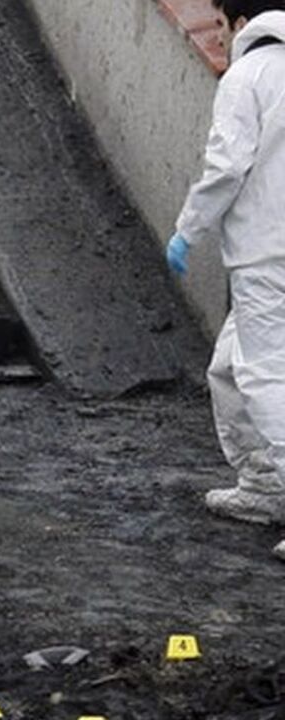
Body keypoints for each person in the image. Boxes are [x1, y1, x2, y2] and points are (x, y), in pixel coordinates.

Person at [166, 0, 285, 560]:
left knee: (264, 378)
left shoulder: (249, 75)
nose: (216, 35)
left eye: (218, 23)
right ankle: (265, 485)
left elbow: (227, 166)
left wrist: (189, 229)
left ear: (240, 22)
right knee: (228, 368)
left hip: (268, 254)